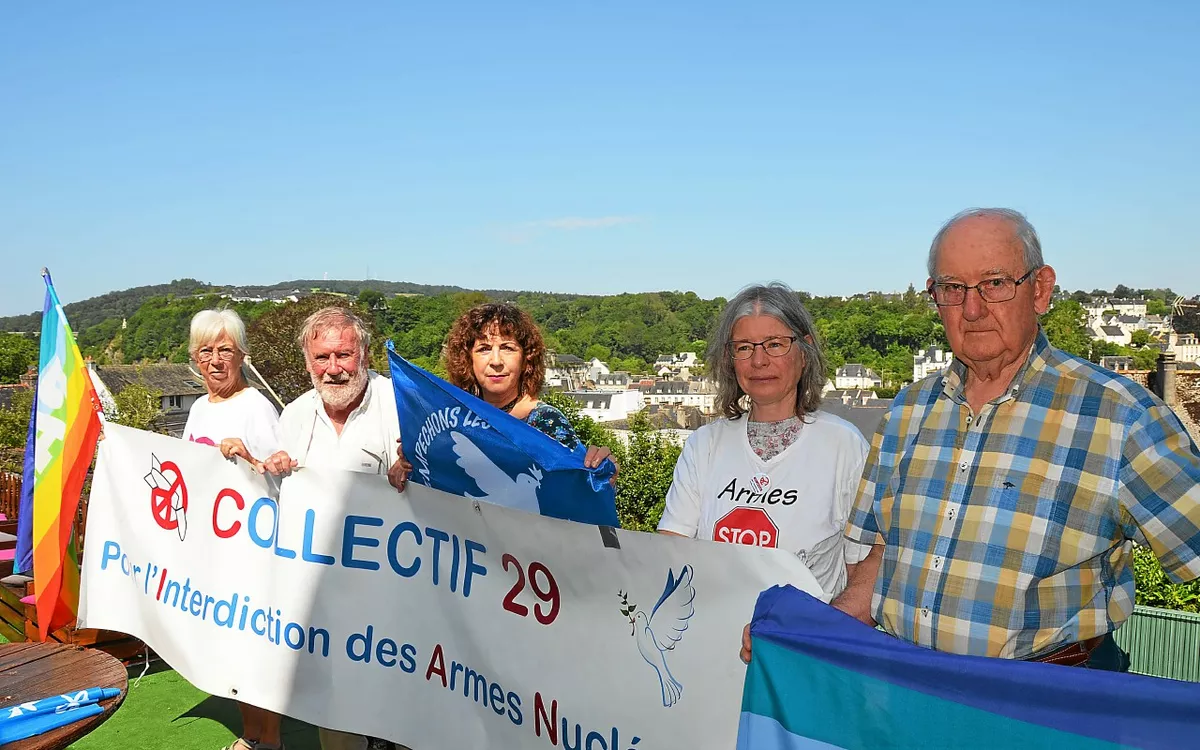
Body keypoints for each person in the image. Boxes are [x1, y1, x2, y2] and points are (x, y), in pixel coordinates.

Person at [757, 208, 1200, 670]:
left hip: (1045, 709)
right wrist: (807, 634)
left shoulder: (1119, 415)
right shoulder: (908, 412)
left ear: (1041, 290)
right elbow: (880, 564)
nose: (972, 309)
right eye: (952, 289)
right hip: (912, 697)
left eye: (994, 283)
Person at [659, 283, 870, 598]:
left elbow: (863, 573)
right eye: (744, 347)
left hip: (798, 643)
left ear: (804, 352)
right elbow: (669, 555)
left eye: (774, 344)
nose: (758, 361)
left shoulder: (843, 445)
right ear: (730, 360)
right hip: (712, 639)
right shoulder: (704, 445)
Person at [259, 307, 403, 750]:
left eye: (345, 355)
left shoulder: (398, 403)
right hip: (321, 592)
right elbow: (278, 500)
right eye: (322, 358)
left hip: (394, 592)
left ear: (364, 354)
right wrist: (271, 469)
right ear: (307, 361)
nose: (334, 369)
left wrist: (412, 472)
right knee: (333, 705)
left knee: (399, 706)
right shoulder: (295, 415)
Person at [182, 309, 284, 750]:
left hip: (252, 552)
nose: (216, 360)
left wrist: (246, 456)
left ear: (242, 355)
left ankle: (273, 740)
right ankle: (251, 734)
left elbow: (281, 475)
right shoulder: (200, 407)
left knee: (257, 650)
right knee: (231, 649)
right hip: (211, 551)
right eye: (206, 350)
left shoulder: (256, 406)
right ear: (194, 358)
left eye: (225, 349)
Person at [388, 302, 615, 491]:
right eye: (484, 349)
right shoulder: (452, 420)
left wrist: (602, 475)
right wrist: (411, 465)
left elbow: (576, 495)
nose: (496, 361)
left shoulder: (546, 422)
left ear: (526, 359)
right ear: (468, 360)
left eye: (507, 348)